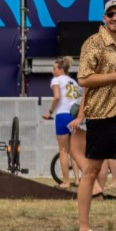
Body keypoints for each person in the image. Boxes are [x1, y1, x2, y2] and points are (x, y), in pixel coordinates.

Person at [75, 0, 116, 231]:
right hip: (102, 115)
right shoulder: (94, 42)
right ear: (104, 17)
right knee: (91, 171)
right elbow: (83, 79)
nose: (115, 18)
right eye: (110, 14)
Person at [42, 56, 81, 188]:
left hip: (63, 115)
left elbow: (57, 97)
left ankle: (66, 182)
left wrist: (49, 112)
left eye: (54, 68)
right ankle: (77, 180)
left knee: (63, 150)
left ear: (61, 70)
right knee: (74, 150)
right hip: (74, 116)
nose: (52, 71)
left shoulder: (56, 80)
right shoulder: (73, 82)